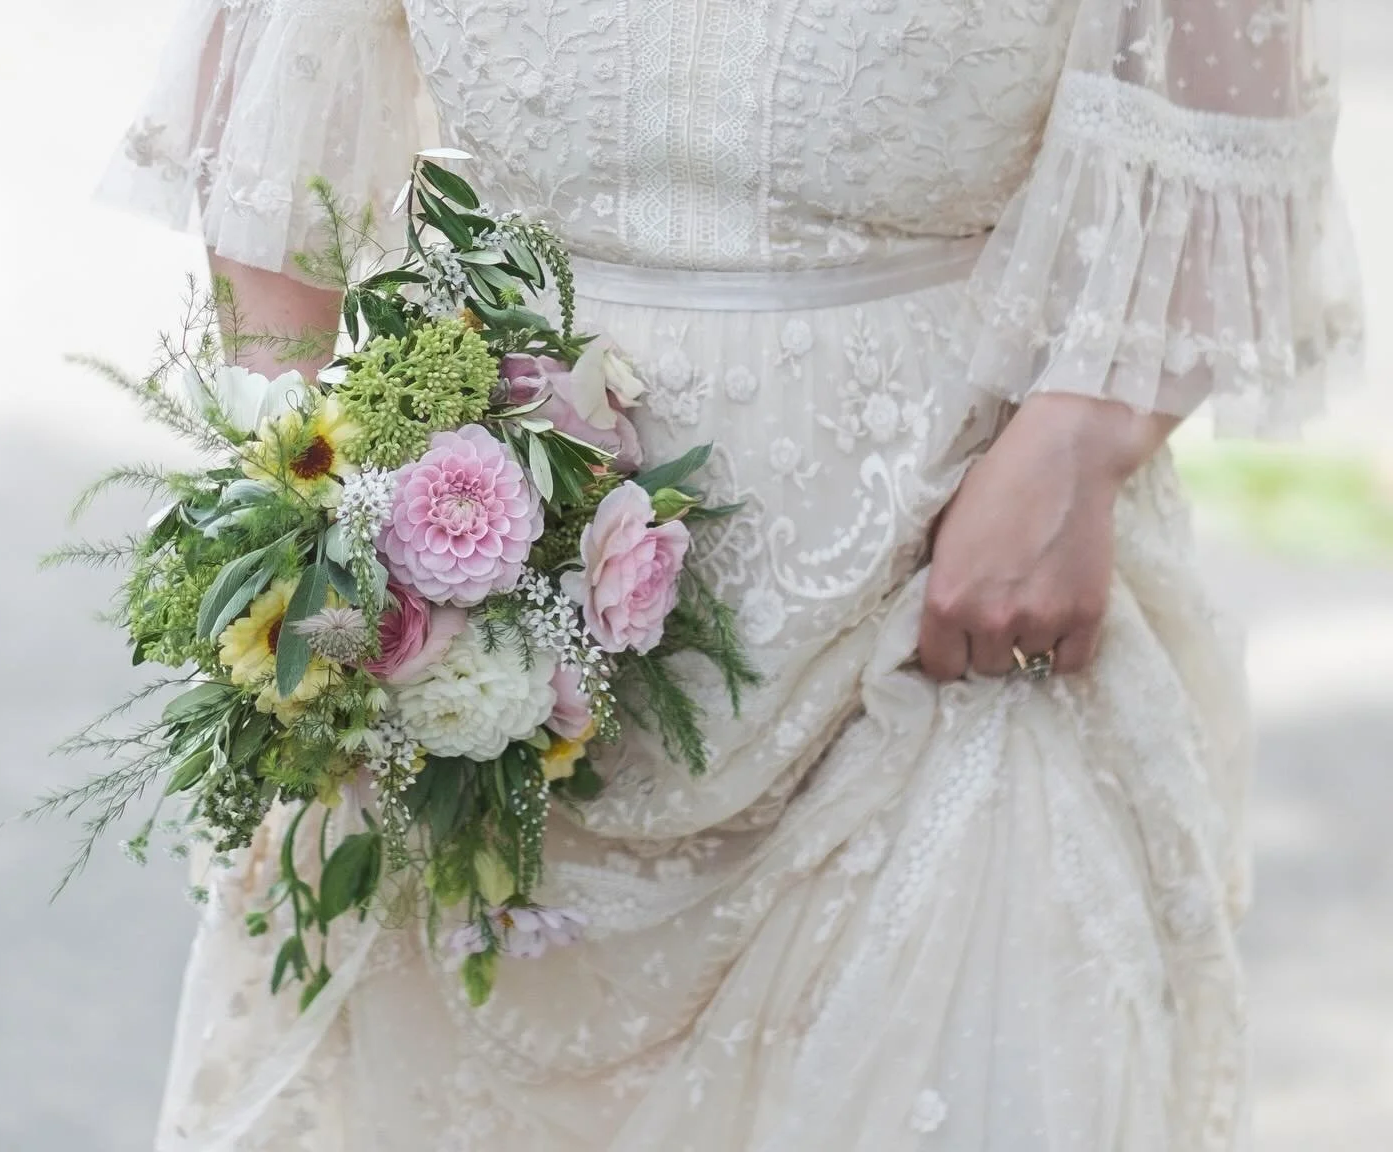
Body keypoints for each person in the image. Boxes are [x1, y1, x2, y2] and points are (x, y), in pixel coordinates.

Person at [99, 0, 1361, 1148]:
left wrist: (1083, 436)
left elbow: (1218, 87)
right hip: (477, 654)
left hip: (946, 613)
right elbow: (274, 132)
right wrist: (345, 523)